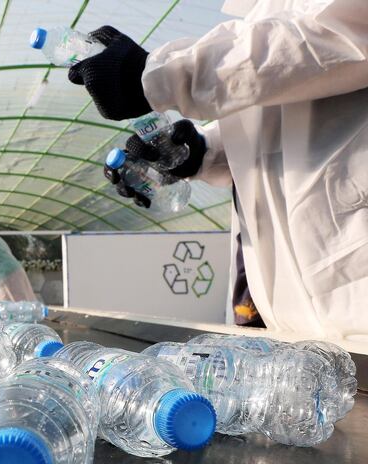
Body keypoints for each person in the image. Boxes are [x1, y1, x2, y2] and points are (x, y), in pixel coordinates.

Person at [67, 0, 368, 338]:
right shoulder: (263, 12)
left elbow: (335, 37)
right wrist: (199, 152)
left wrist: (162, 76)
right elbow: (277, 129)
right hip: (297, 322)